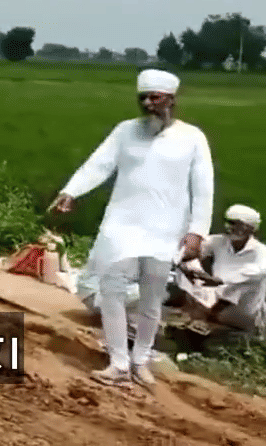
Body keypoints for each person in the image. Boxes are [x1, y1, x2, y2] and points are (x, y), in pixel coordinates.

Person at [51, 68, 214, 387]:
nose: (148, 104)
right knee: (111, 292)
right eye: (143, 98)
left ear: (171, 99)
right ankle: (118, 363)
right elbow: (99, 163)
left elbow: (204, 188)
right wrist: (71, 191)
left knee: (153, 299)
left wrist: (196, 231)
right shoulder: (125, 131)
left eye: (155, 97)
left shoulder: (192, 138)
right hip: (121, 226)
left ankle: (141, 360)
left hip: (165, 229)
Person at [174, 204, 266, 335]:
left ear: (251, 229)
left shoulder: (261, 252)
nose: (231, 228)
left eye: (238, 224)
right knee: (183, 269)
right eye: (230, 223)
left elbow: (259, 272)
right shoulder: (219, 241)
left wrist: (222, 280)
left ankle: (207, 315)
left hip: (243, 312)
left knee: (250, 282)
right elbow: (187, 251)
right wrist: (190, 268)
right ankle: (198, 312)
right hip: (214, 300)